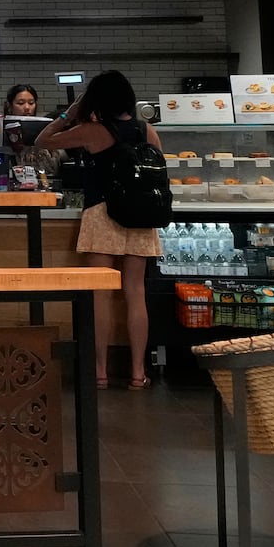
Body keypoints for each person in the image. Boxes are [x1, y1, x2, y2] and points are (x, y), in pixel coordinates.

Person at [35, 70, 161, 390]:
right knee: (136, 293)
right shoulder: (147, 130)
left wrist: (70, 113)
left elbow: (42, 140)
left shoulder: (92, 131)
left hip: (102, 214)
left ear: (96, 100)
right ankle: (137, 372)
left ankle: (99, 372)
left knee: (99, 296)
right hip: (140, 216)